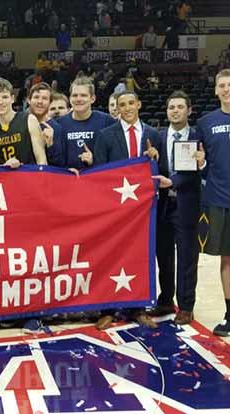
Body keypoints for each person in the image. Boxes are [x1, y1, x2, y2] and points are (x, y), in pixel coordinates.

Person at [93, 91, 161, 330]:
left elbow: (161, 169)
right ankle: (108, 309)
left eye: (131, 103)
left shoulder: (153, 134)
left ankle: (138, 308)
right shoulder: (105, 135)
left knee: (141, 256)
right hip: (115, 208)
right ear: (117, 109)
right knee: (111, 254)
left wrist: (156, 158)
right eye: (122, 105)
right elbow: (100, 173)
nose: (128, 108)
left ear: (139, 104)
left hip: (144, 208)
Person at [149, 91, 201, 325]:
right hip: (161, 205)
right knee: (164, 256)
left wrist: (203, 161)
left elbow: (202, 169)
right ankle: (166, 300)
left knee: (187, 257)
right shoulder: (157, 137)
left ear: (189, 110)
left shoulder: (198, 137)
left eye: (180, 107)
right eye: (172, 107)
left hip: (187, 203)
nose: (176, 111)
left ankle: (186, 305)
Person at [196, 69, 230, 336]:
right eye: (222, 85)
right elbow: (203, 167)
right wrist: (202, 163)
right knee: (227, 259)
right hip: (220, 199)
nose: (226, 89)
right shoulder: (206, 122)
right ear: (216, 90)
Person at [0, 77, 47, 168]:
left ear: (12, 99)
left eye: (5, 97)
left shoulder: (29, 120)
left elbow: (41, 160)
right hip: (5, 180)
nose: (0, 102)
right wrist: (4, 166)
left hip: (29, 177)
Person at [57, 77, 116, 170]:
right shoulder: (59, 124)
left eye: (83, 95)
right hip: (68, 180)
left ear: (92, 98)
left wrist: (94, 161)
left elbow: (115, 156)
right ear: (70, 98)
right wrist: (65, 170)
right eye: (75, 95)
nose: (78, 99)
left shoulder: (107, 121)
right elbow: (55, 159)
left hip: (97, 178)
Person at [26, 83, 65, 166]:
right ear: (28, 100)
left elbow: (60, 164)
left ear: (50, 102)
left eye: (44, 98)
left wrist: (50, 146)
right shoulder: (20, 123)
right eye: (36, 97)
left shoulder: (56, 128)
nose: (40, 101)